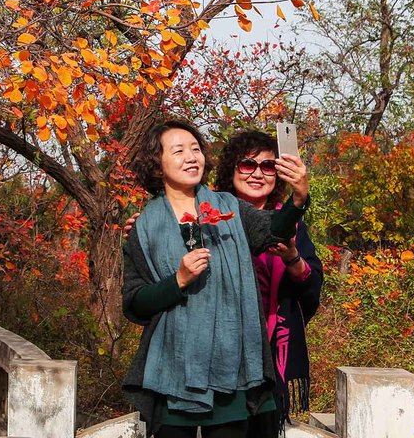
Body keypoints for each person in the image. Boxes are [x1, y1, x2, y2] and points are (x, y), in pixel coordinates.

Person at [122, 119, 310, 438]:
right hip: (173, 373)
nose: (191, 156)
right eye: (178, 150)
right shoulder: (144, 226)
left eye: (196, 149)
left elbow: (273, 231)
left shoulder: (229, 208)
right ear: (158, 163)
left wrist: (298, 198)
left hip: (233, 371)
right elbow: (135, 304)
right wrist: (178, 280)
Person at [215, 130, 323, 429]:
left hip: (270, 352)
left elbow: (311, 289)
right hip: (218, 353)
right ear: (231, 170)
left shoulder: (291, 223)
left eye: (268, 166)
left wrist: (290, 257)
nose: (257, 174)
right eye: (247, 164)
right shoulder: (210, 217)